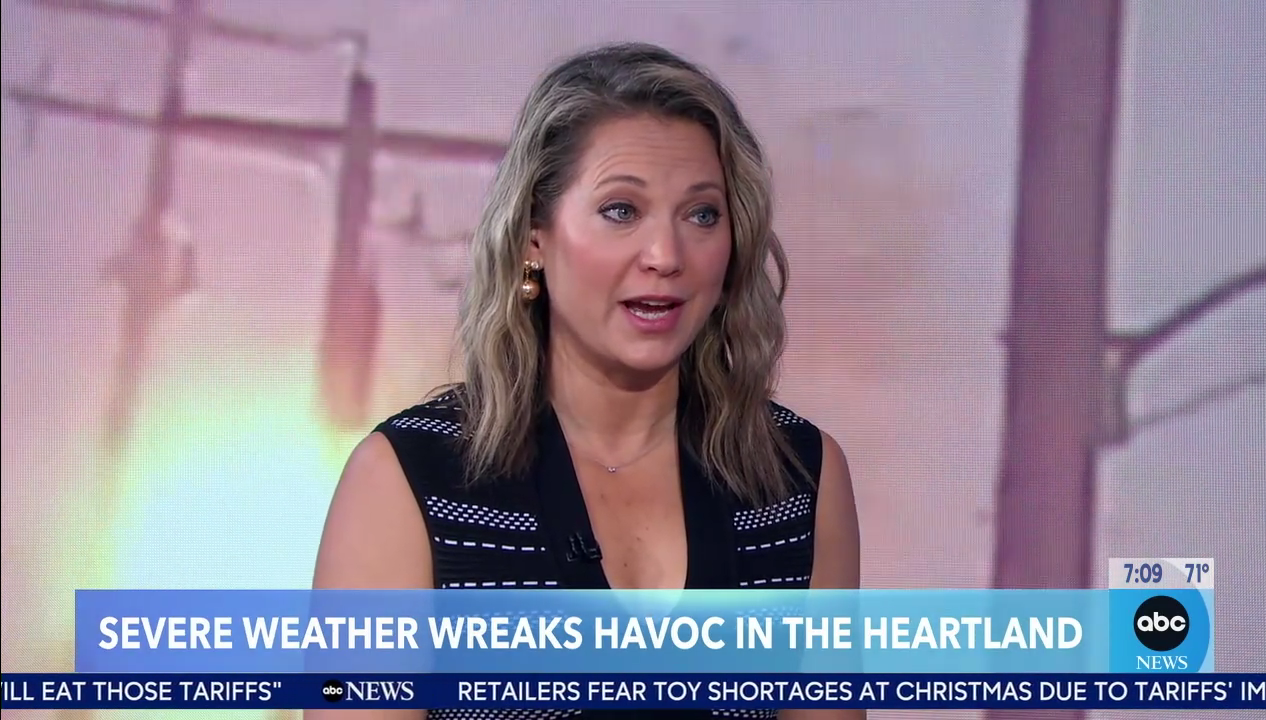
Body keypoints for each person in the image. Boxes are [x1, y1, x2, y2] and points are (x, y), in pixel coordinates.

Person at [308, 41, 863, 720]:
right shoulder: (408, 478)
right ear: (534, 237)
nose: (665, 255)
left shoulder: (799, 479)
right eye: (621, 210)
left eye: (702, 214)